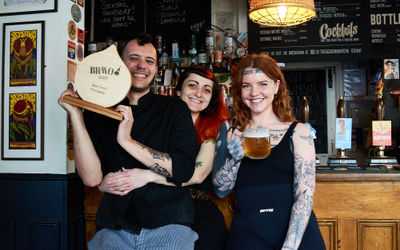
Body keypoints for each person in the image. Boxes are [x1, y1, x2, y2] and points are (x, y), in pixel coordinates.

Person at [58, 33, 199, 249]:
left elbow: (183, 169)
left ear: (156, 69)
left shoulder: (174, 109)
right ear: (120, 65)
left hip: (169, 220)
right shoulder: (98, 111)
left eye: (149, 61)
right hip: (114, 224)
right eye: (133, 58)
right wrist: (76, 114)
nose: (141, 66)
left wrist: (127, 140)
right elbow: (91, 178)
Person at [99, 66, 229, 250]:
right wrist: (102, 182)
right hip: (158, 205)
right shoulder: (158, 123)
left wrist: (147, 176)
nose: (199, 93)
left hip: (196, 204)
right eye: (192, 85)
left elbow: (197, 175)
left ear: (211, 99)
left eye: (206, 90)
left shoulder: (210, 129)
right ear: (177, 90)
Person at [212, 54, 326, 250]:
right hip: (248, 232)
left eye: (263, 84)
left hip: (295, 232)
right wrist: (234, 159)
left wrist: (290, 246)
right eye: (247, 85)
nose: (254, 92)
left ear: (276, 86)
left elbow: (304, 194)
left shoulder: (299, 132)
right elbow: (220, 190)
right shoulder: (231, 132)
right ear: (240, 90)